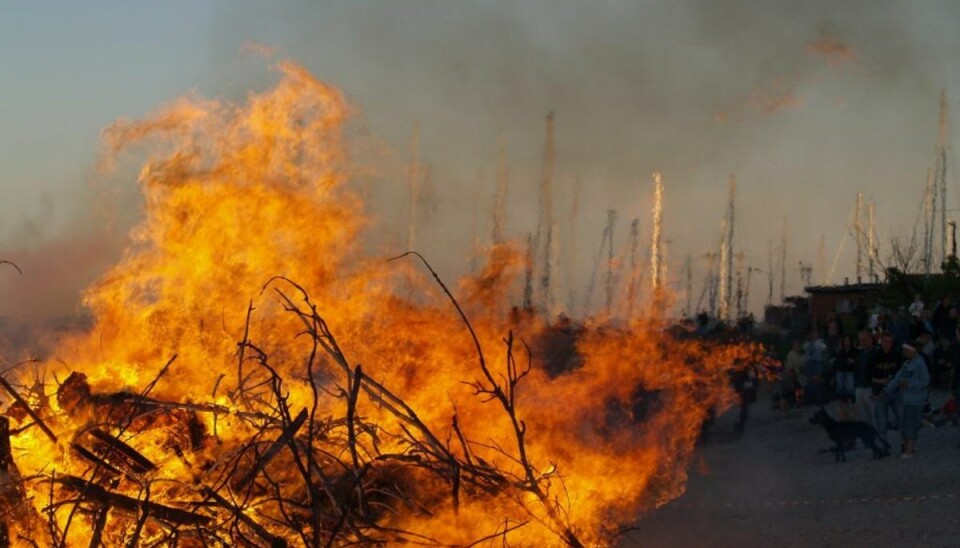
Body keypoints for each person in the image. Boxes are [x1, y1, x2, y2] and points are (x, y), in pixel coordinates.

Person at [884, 342, 930, 459]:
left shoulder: (920, 363)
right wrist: (886, 390)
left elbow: (925, 381)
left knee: (911, 424)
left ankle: (909, 450)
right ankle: (906, 448)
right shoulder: (906, 364)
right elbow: (897, 379)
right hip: (905, 399)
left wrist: (909, 385)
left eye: (906, 350)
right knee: (904, 424)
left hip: (916, 400)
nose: (904, 353)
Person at [870, 332, 901, 443]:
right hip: (880, 392)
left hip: (896, 392)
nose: (888, 344)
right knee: (881, 422)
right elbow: (868, 376)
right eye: (885, 341)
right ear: (881, 342)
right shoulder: (874, 356)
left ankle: (906, 445)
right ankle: (883, 445)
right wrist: (881, 381)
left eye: (890, 342)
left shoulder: (897, 355)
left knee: (902, 417)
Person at [803, 329, 829, 406]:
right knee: (810, 380)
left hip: (817, 362)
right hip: (809, 363)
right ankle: (810, 398)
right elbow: (804, 348)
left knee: (818, 379)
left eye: (815, 334)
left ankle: (820, 399)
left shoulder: (820, 342)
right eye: (813, 334)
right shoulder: (808, 343)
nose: (814, 335)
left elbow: (824, 349)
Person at [834, 334, 857, 418]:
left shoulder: (854, 351)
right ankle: (843, 413)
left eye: (848, 340)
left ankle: (852, 412)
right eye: (845, 340)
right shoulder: (841, 351)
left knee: (850, 392)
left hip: (849, 372)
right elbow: (837, 362)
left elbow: (855, 362)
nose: (846, 342)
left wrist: (853, 361)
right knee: (841, 393)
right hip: (840, 373)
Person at [781, 339, 806, 410]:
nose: (798, 346)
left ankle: (798, 401)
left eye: (798, 344)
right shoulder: (791, 354)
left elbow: (803, 364)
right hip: (793, 374)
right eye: (796, 344)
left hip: (799, 373)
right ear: (793, 346)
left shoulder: (800, 354)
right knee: (790, 382)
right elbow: (794, 365)